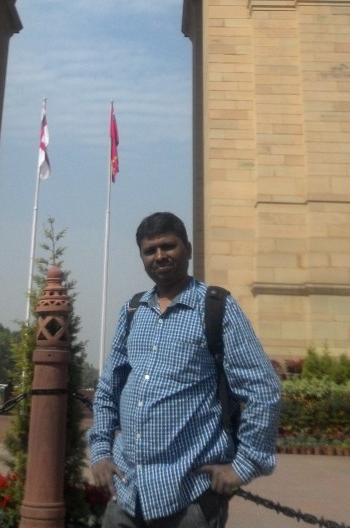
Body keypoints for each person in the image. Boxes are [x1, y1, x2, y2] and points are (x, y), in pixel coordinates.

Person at [88, 212, 281, 528]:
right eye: (150, 250)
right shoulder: (133, 310)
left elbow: (263, 390)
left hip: (188, 500)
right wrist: (100, 452)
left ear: (188, 249)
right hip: (126, 494)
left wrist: (244, 466)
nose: (159, 256)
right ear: (142, 257)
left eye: (168, 246)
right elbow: (109, 388)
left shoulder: (217, 307)